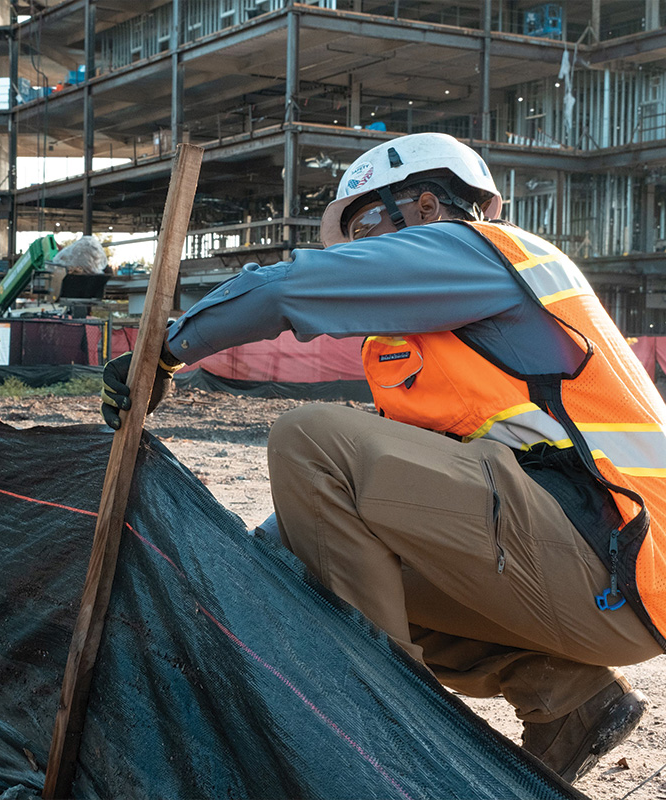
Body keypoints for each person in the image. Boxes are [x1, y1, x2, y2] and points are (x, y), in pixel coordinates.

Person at [101, 132, 664, 783]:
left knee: (309, 440)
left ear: (427, 206)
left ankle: (378, 740)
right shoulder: (453, 335)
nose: (362, 246)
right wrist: (259, 571)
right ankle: (571, 701)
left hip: (612, 555)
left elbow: (289, 289)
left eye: (368, 222)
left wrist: (166, 348)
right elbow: (367, 518)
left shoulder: (479, 251)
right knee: (311, 562)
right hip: (607, 574)